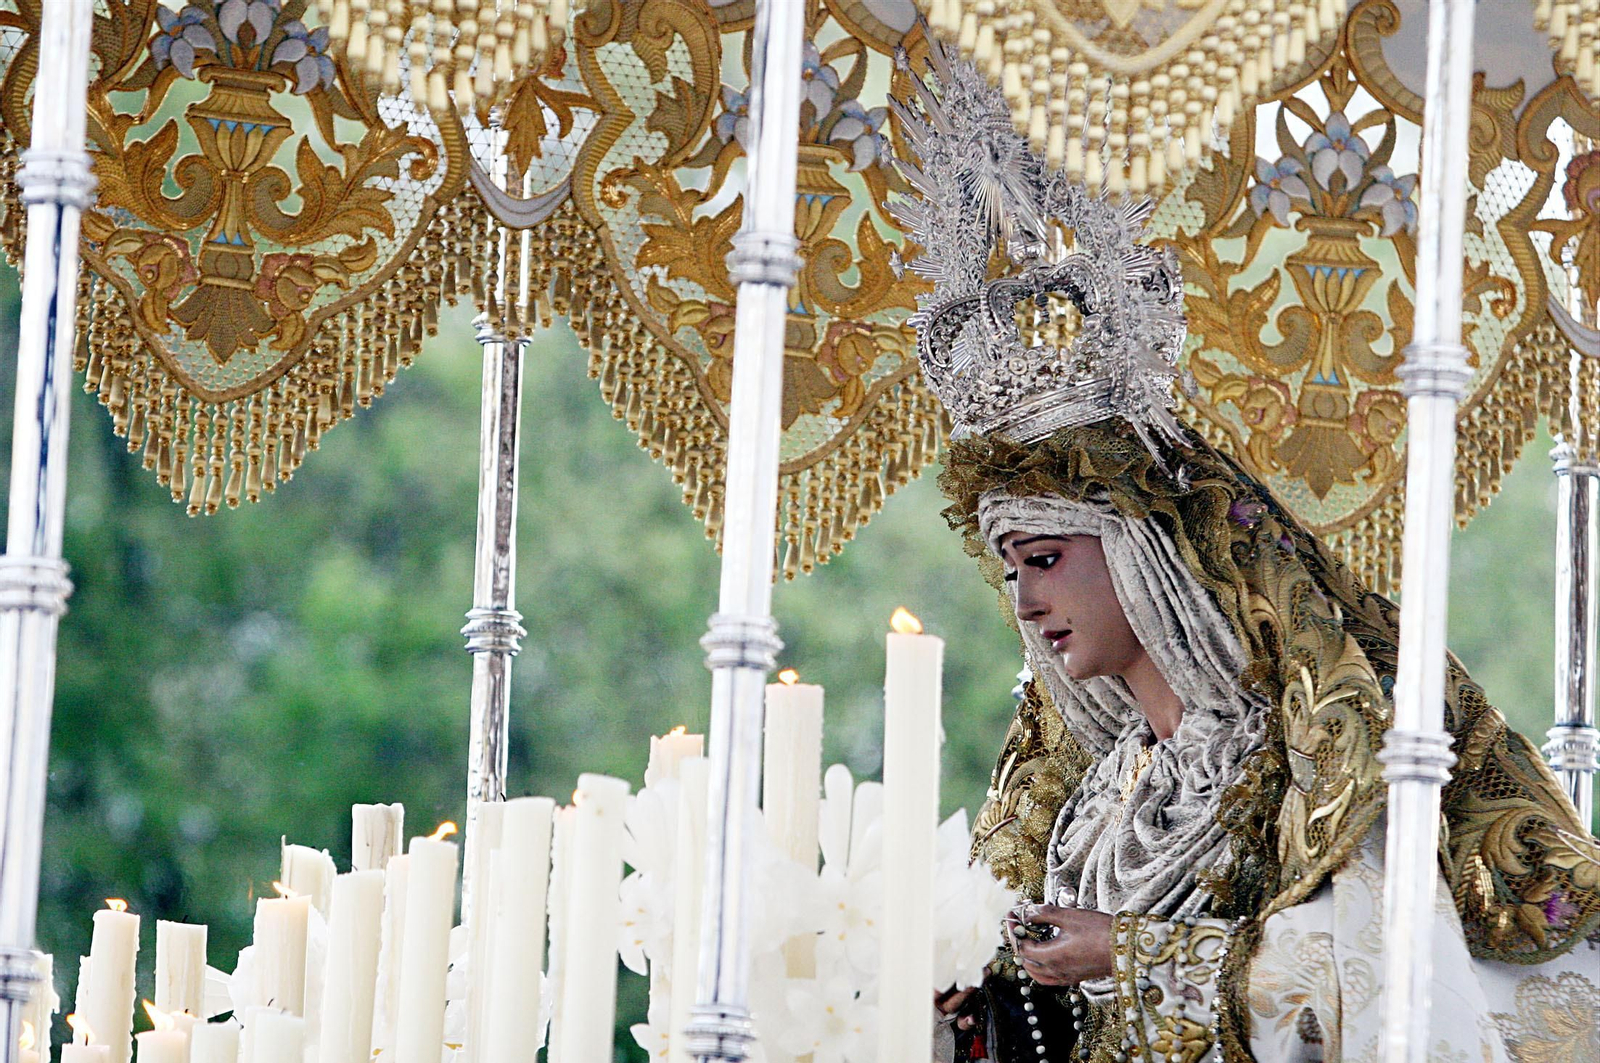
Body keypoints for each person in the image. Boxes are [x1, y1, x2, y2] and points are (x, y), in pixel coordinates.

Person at [889, 42, 1600, 1063]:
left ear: (1144, 553)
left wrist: (1135, 957)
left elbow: (1379, 980)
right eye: (1008, 568)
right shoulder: (1097, 780)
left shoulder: (1302, 757)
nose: (1022, 599)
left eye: (1045, 556)